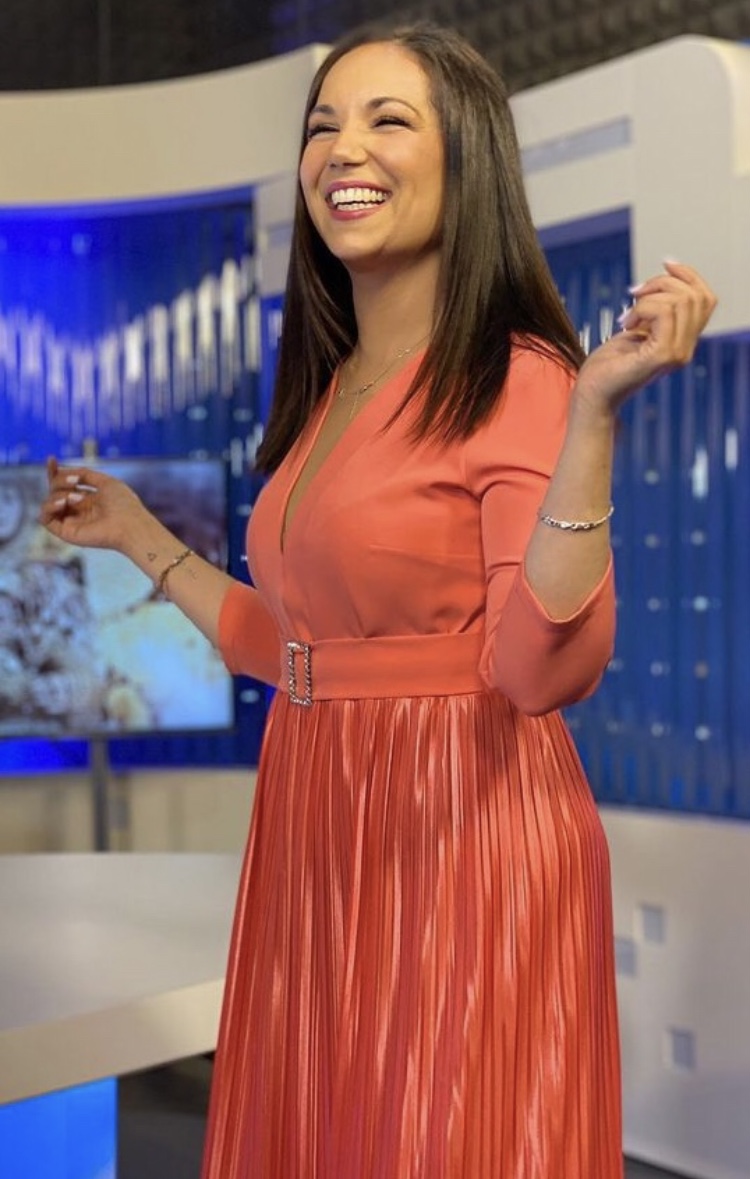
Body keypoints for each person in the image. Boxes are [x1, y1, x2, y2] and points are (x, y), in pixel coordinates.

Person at [41, 20, 716, 1179]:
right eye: (322, 126)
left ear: (467, 160)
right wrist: (136, 533)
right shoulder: (330, 389)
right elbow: (297, 651)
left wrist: (592, 417)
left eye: (387, 120)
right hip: (318, 813)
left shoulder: (521, 374)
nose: (342, 149)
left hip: (462, 826)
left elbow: (536, 669)